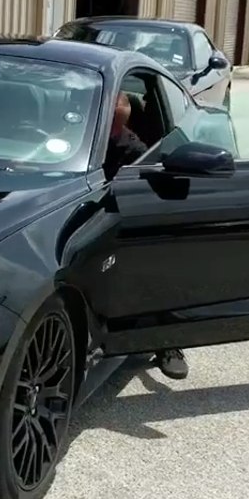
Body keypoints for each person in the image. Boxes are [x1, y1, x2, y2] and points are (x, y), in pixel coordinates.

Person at [103, 91, 190, 381]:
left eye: (115, 126)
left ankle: (167, 342)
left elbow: (151, 193)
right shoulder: (71, 137)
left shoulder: (134, 149)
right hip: (88, 215)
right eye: (108, 124)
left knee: (161, 266)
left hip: (123, 217)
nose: (111, 131)